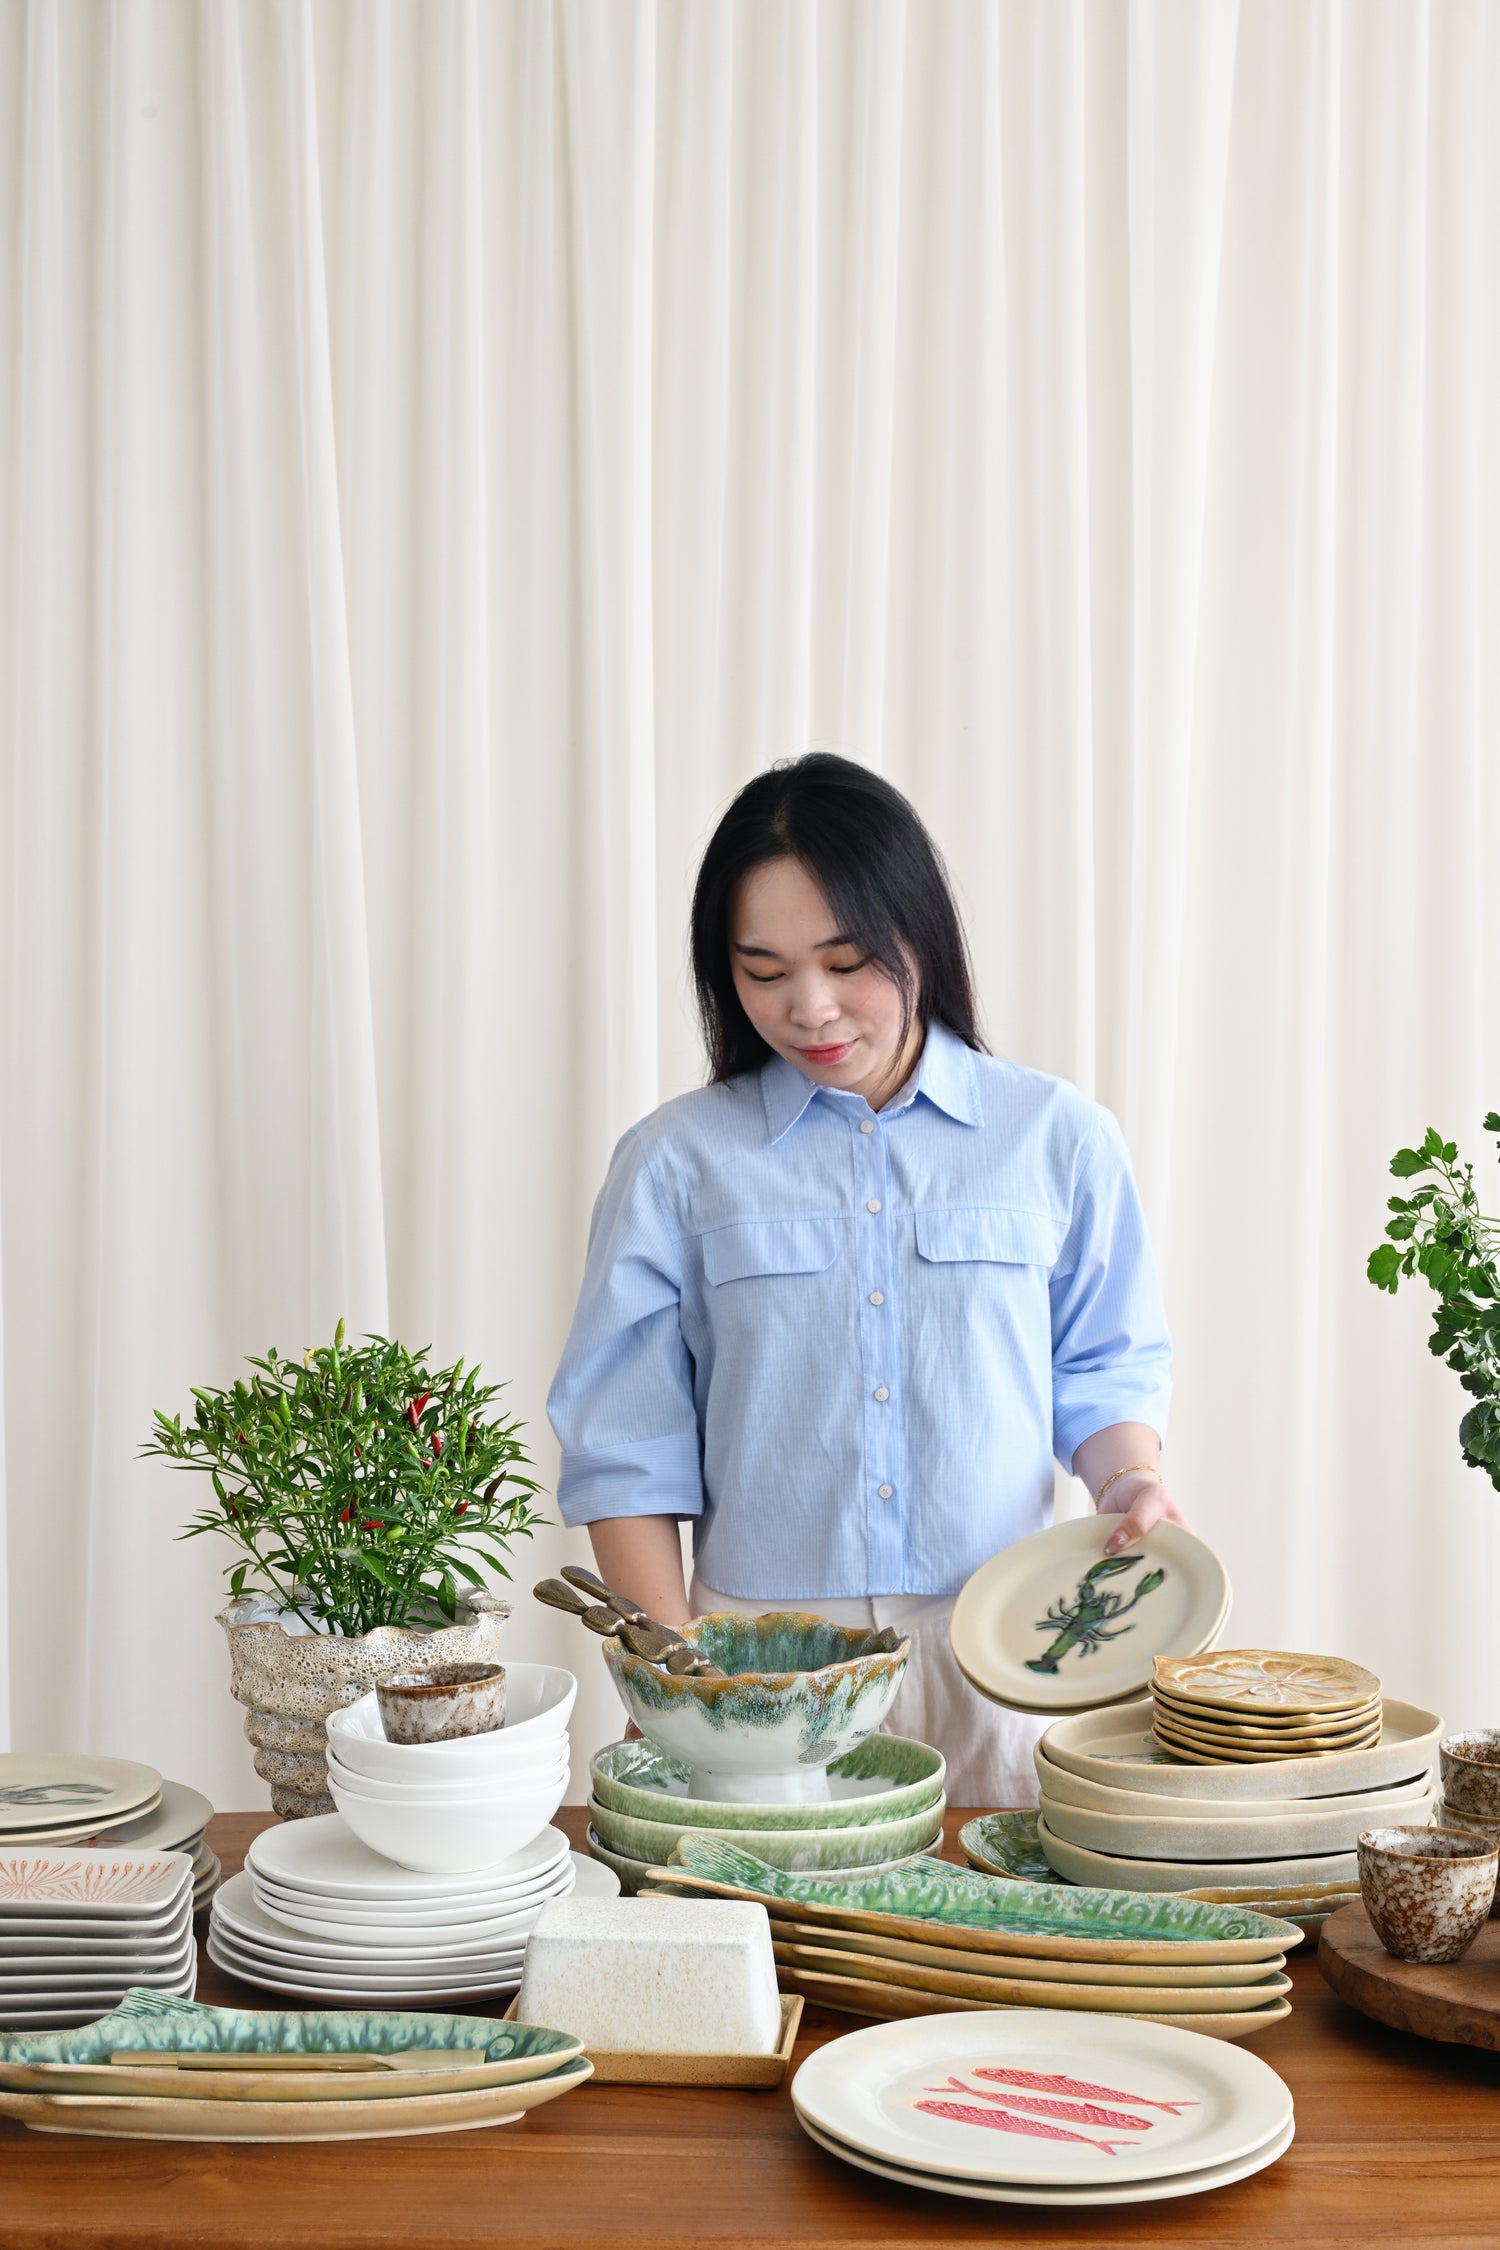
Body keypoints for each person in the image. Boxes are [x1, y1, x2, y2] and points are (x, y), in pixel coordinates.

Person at [547, 754, 1182, 1802]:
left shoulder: (1056, 1137)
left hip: (1012, 1650)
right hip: (759, 1659)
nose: (810, 1009)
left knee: (1000, 1944)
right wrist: (670, 1672)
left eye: (848, 962)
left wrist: (1131, 1485)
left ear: (917, 935)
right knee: (770, 1942)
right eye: (763, 971)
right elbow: (627, 1445)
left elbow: (1106, 1372)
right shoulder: (674, 1161)